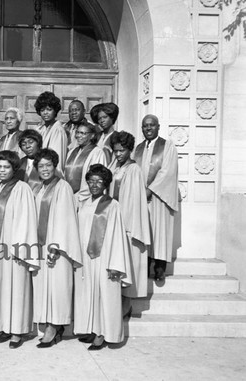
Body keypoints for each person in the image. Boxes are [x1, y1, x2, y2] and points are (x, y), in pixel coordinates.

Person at [0, 151, 39, 349]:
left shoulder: (22, 188)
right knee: (0, 287)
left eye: (6, 167)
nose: (2, 170)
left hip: (13, 247)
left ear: (14, 168)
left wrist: (20, 249)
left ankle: (17, 331)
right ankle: (5, 326)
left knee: (16, 288)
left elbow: (26, 219)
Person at [74, 164, 132, 350]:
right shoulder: (84, 203)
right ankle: (91, 328)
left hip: (105, 256)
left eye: (99, 181)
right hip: (85, 256)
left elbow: (117, 236)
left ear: (106, 183)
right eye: (91, 181)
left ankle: (103, 334)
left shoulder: (112, 205)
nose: (94, 184)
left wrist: (115, 264)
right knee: (88, 294)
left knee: (104, 295)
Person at [32, 149, 82, 348]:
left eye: (48, 165)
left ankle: (55, 326)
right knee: (46, 286)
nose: (45, 169)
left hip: (57, 248)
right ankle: (51, 324)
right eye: (41, 166)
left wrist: (56, 245)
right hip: (41, 245)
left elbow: (66, 218)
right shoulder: (39, 188)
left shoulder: (63, 187)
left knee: (58, 287)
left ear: (55, 166)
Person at [108, 131, 151, 317]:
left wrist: (124, 225)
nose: (118, 154)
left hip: (126, 224)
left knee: (129, 264)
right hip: (113, 219)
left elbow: (133, 201)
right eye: (116, 151)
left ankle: (126, 305)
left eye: (122, 150)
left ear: (129, 150)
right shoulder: (115, 166)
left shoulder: (133, 170)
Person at [134, 114, 179, 281]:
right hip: (141, 197)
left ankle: (160, 268)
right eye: (145, 126)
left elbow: (168, 171)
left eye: (152, 125)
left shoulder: (167, 146)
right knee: (144, 232)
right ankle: (144, 267)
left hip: (160, 198)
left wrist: (151, 190)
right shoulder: (137, 148)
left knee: (159, 232)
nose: (148, 128)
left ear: (158, 127)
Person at [64, 123, 107, 203]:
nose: (78, 136)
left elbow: (96, 179)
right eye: (77, 132)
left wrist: (78, 197)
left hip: (86, 199)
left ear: (92, 136)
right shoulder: (72, 152)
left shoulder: (97, 153)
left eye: (83, 133)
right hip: (68, 198)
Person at [33, 92, 68, 173]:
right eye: (42, 110)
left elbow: (56, 159)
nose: (45, 113)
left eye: (49, 109)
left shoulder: (58, 130)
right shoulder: (40, 129)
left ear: (55, 111)